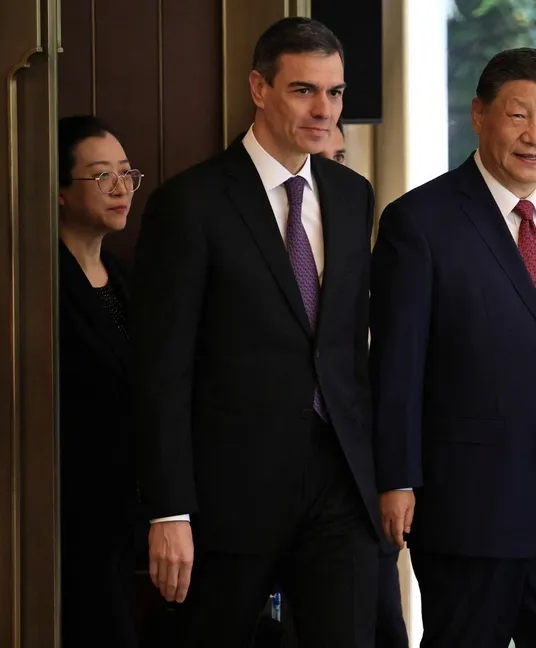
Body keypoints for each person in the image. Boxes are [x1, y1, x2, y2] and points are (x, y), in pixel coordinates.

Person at [370, 47, 536, 647]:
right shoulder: (420, 220)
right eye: (518, 115)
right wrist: (397, 478)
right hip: (470, 512)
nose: (535, 135)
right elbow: (396, 365)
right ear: (479, 115)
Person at [131, 17, 380, 647]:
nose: (324, 110)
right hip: (227, 496)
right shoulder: (190, 204)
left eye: (335, 92)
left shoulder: (353, 195)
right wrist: (169, 509)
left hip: (340, 485)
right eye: (303, 90)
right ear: (259, 88)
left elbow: (349, 348)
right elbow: (161, 371)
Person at [313, 120, 410, 648]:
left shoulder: (355, 207)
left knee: (379, 622)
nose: (331, 168)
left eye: (340, 156)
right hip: (264, 474)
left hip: (357, 464)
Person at [57, 115, 145, 647]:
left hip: (131, 511)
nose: (120, 188)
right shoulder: (37, 282)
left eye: (126, 172)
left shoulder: (130, 279)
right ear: (61, 192)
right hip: (71, 513)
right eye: (101, 175)